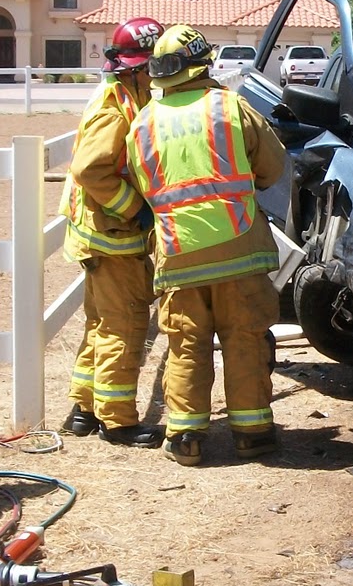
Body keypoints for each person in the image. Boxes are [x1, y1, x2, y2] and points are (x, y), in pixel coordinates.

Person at [118, 24, 287, 467]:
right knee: (245, 338)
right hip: (239, 249)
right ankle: (252, 434)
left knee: (186, 345)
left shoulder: (143, 124)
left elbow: (143, 187)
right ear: (203, 64)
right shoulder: (230, 108)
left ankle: (186, 437)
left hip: (178, 255)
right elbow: (273, 167)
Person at [58, 17, 166, 447]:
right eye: (153, 66)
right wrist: (135, 209)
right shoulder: (114, 109)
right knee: (125, 324)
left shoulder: (125, 97)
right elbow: (90, 170)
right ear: (138, 69)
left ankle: (83, 410)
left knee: (101, 324)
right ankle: (118, 421)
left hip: (99, 236)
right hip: (113, 237)